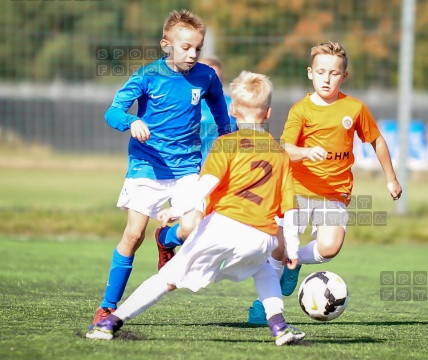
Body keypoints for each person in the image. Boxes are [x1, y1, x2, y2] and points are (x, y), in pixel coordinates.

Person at [86, 70, 306, 346]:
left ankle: (110, 322)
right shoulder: (279, 152)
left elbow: (206, 185)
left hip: (223, 226)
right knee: (263, 270)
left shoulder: (226, 144)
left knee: (167, 278)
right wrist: (293, 249)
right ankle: (279, 327)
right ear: (269, 112)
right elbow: (290, 208)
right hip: (262, 236)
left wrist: (178, 210)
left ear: (233, 110)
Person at [90, 10, 232, 330]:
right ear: (166, 44)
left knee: (194, 224)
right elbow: (113, 112)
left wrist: (230, 137)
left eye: (197, 47)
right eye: (185, 47)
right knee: (133, 234)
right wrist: (132, 121)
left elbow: (222, 113)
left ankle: (166, 239)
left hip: (186, 167)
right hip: (147, 166)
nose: (192, 54)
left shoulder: (207, 76)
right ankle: (107, 306)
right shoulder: (147, 76)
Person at [248, 41, 402, 324]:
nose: (327, 78)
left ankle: (295, 264)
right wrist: (307, 152)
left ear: (344, 76)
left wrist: (391, 178)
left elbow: (377, 140)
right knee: (278, 250)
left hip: (334, 192)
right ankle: (265, 306)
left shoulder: (354, 108)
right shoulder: (302, 110)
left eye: (333, 73)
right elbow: (286, 147)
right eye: (321, 72)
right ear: (310, 73)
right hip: (296, 189)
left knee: (329, 248)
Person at [154, 55, 238, 269]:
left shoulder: (232, 108)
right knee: (190, 226)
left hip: (220, 178)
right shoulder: (184, 103)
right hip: (190, 174)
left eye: (214, 78)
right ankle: (165, 239)